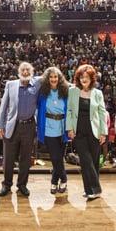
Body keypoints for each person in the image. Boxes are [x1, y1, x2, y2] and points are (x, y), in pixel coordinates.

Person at [0, 62, 40, 197]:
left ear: (32, 72)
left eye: (28, 70)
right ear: (19, 72)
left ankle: (22, 185)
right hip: (12, 126)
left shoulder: (37, 83)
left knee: (25, 159)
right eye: (23, 70)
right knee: (8, 158)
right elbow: (3, 107)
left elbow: (52, 74)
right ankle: (6, 185)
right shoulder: (11, 84)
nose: (25, 72)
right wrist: (0, 125)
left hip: (29, 126)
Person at [66, 64, 107, 200]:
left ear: (91, 79)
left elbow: (102, 113)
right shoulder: (72, 91)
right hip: (79, 132)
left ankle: (89, 190)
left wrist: (103, 132)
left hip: (94, 131)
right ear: (78, 78)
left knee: (94, 161)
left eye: (87, 77)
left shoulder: (98, 93)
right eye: (82, 77)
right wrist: (70, 128)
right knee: (85, 159)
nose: (84, 79)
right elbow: (69, 111)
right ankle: (96, 188)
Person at [36, 66, 69, 195]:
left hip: (62, 128)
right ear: (47, 79)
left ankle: (54, 182)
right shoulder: (43, 92)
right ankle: (64, 179)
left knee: (59, 158)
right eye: (51, 77)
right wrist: (46, 72)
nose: (53, 79)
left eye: (56, 77)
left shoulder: (66, 91)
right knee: (55, 157)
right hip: (48, 127)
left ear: (59, 78)